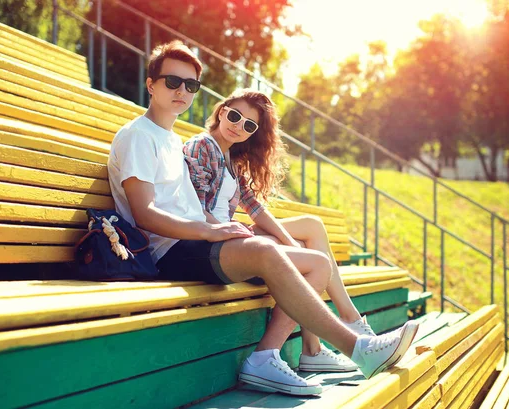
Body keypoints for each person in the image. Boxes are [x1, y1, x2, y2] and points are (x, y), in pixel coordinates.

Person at [107, 40, 418, 397]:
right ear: (151, 84)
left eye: (190, 85)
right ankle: (358, 347)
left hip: (196, 241)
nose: (182, 91)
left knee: (317, 264)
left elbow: (224, 204)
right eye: (171, 82)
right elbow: (145, 215)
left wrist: (216, 230)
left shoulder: (172, 141)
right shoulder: (138, 136)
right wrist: (212, 231)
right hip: (170, 251)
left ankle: (265, 357)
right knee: (268, 251)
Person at [183, 88, 390, 378]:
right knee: (318, 264)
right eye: (234, 115)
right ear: (221, 111)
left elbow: (255, 208)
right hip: (214, 239)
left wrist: (289, 241)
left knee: (312, 227)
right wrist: (225, 230)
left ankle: (332, 333)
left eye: (248, 125)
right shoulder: (203, 146)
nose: (238, 125)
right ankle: (325, 341)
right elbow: (191, 206)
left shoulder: (230, 159)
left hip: (231, 235)